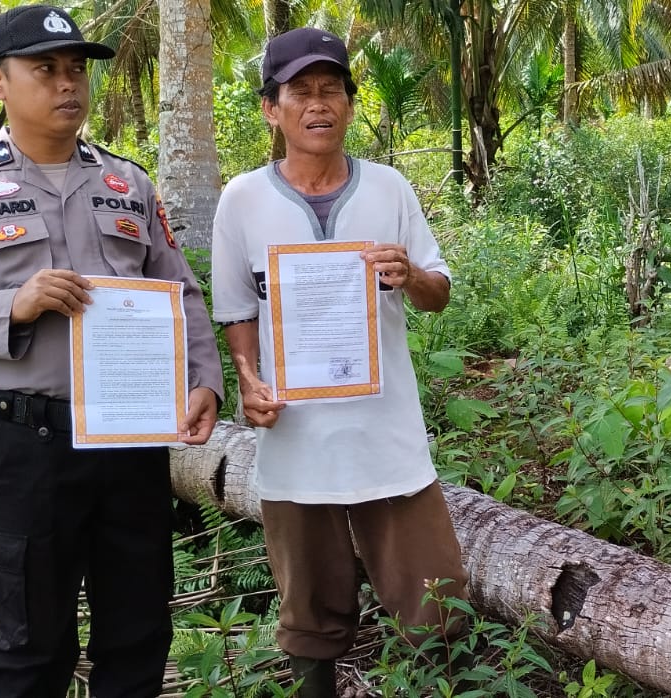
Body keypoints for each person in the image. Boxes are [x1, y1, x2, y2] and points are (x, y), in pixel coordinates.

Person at [0, 5, 223, 696]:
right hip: (27, 447)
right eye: (45, 69)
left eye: (76, 70)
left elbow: (178, 290)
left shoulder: (127, 183)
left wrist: (204, 380)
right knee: (30, 648)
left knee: (138, 635)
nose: (69, 84)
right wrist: (13, 304)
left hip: (131, 443)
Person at [209, 26, 469, 698]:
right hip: (296, 443)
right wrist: (247, 377)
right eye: (301, 92)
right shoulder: (242, 200)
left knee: (437, 603)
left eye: (332, 90)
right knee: (309, 615)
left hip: (388, 439)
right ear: (273, 108)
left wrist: (409, 275)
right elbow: (236, 308)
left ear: (351, 105)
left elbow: (439, 293)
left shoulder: (388, 190)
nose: (318, 104)